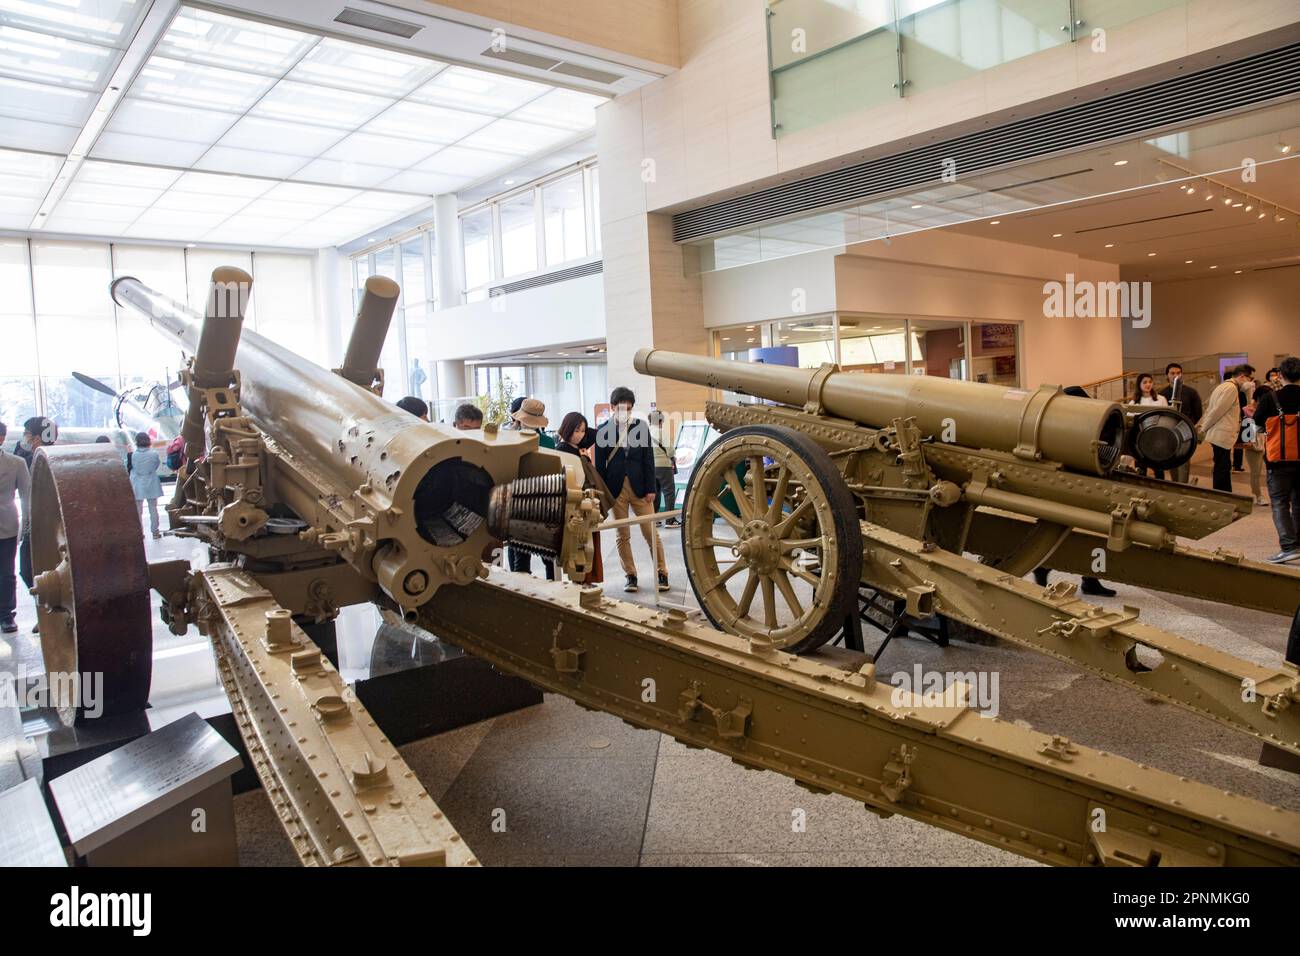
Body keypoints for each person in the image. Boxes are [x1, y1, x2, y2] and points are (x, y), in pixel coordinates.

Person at [1032, 386, 1116, 597]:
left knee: (1089, 532)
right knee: (1056, 531)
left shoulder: (1094, 425)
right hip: (1066, 485)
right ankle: (1043, 569)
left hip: (1084, 484)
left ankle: (1088, 578)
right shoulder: (1057, 425)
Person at [594, 387, 668, 593]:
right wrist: (603, 496)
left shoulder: (641, 427)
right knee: (622, 534)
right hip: (615, 490)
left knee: (650, 532)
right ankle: (630, 575)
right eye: (619, 408)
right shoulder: (602, 430)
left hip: (641, 488)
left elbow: (648, 460)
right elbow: (599, 468)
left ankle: (662, 572)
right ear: (612, 407)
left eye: (627, 408)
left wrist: (651, 488)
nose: (623, 412)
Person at [556, 412, 614, 584]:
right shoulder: (562, 450)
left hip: (588, 505)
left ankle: (587, 580)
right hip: (575, 507)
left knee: (590, 545)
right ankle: (581, 581)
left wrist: (581, 426)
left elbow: (594, 434)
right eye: (576, 430)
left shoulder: (576, 447)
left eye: (582, 430)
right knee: (580, 548)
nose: (581, 435)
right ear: (567, 430)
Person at [1252, 355, 1300, 564]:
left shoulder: (1270, 398)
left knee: (1280, 503)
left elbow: (1257, 424)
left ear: (1280, 375)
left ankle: (1289, 547)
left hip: (1278, 459)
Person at [507, 398, 556, 580]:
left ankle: (521, 596)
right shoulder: (548, 442)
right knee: (548, 558)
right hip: (546, 504)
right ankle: (553, 595)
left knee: (521, 561)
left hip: (519, 505)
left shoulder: (509, 440)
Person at [15, 416, 52, 598]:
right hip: (31, 522)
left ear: (37, 438)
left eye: (26, 434)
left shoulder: (45, 459)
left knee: (36, 568)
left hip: (45, 524)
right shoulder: (26, 458)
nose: (24, 438)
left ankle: (48, 608)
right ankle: (45, 607)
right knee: (27, 569)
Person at [1199, 366, 1250, 493]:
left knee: (1222, 465)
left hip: (1219, 433)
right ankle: (1223, 495)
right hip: (1221, 434)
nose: (1248, 383)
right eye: (1248, 378)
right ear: (1242, 376)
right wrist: (1203, 428)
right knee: (1223, 467)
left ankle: (1223, 494)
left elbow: (1210, 408)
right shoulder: (1231, 388)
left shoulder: (1223, 386)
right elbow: (1217, 411)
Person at [0, 423, 30, 634]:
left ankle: (6, 615)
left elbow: (27, 496)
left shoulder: (16, 463)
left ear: (2, 438)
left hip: (7, 525)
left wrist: (26, 525)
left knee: (6, 573)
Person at [1160, 363, 1203, 483]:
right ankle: (1175, 484)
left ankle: (1183, 486)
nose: (1175, 376)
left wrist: (1195, 429)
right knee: (1171, 459)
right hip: (1169, 433)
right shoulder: (1162, 394)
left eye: (1178, 373)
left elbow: (1198, 414)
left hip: (1186, 432)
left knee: (1184, 460)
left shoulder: (1191, 392)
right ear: (1167, 376)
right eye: (1172, 373)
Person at [1129, 373, 1168, 479]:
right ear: (1139, 384)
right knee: (1141, 471)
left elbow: (1166, 418)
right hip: (1140, 441)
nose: (1148, 384)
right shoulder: (1134, 403)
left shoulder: (1161, 399)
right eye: (1145, 382)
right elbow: (1130, 421)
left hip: (1157, 440)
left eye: (1150, 382)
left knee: (1159, 471)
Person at [128, 432, 164, 539]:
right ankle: (155, 532)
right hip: (152, 483)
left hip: (138, 484)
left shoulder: (134, 455)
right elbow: (156, 465)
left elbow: (133, 467)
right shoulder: (154, 454)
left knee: (138, 510)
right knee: (153, 508)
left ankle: (140, 532)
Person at [647, 410, 679, 527]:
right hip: (663, 466)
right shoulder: (661, 432)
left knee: (655, 492)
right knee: (669, 492)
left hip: (650, 467)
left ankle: (654, 518)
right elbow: (670, 449)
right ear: (660, 421)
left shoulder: (646, 433)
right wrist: (673, 457)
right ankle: (670, 520)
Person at [1232, 365, 1255, 472]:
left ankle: (1238, 464)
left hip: (1247, 416)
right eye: (1248, 377)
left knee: (1245, 442)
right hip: (1243, 416)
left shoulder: (1242, 387)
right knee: (1241, 443)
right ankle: (1237, 465)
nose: (1250, 380)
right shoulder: (1243, 386)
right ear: (1242, 376)